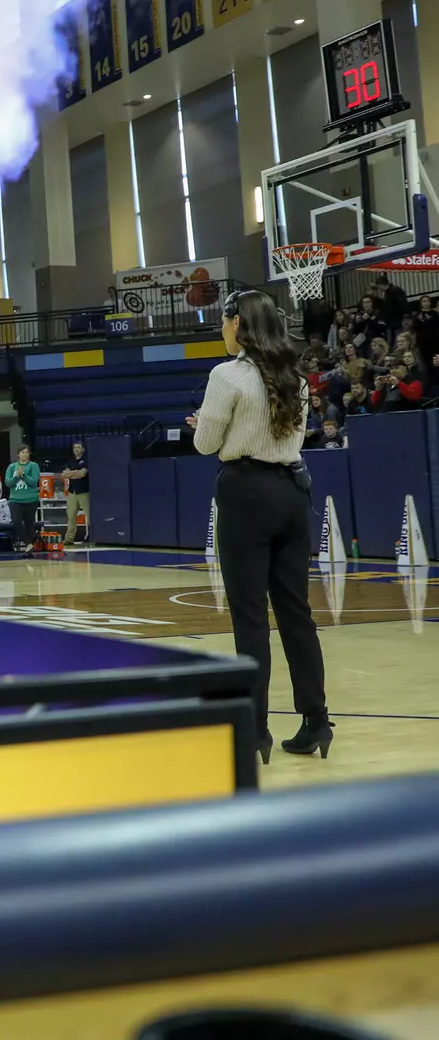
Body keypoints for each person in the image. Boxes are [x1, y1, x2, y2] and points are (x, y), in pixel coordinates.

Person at [188, 289, 330, 763]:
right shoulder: (296, 375)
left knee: (250, 617)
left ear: (238, 324)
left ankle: (255, 731)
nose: (221, 328)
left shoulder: (226, 374)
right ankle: (316, 720)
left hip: (247, 492)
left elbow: (207, 444)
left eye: (224, 320)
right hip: (293, 491)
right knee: (296, 613)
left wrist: (202, 426)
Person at [4, 446, 40, 553]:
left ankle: (30, 546)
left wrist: (23, 475)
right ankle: (29, 544)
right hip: (15, 499)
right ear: (18, 454)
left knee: (29, 524)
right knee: (16, 521)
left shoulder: (34, 466)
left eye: (26, 452)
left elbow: (34, 482)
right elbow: (8, 482)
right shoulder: (11, 467)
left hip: (31, 499)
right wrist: (17, 477)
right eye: (22, 452)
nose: (24, 454)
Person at [63, 440, 89, 546]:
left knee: (90, 515)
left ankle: (93, 536)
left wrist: (72, 473)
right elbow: (65, 474)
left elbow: (83, 474)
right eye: (74, 448)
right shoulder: (70, 461)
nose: (76, 449)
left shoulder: (86, 460)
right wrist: (76, 472)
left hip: (84, 491)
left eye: (78, 447)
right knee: (71, 516)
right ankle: (69, 538)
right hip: (72, 491)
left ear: (83, 449)